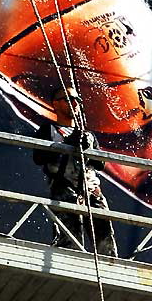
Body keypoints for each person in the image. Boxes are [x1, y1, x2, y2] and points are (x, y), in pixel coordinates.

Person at [33, 86, 117, 256]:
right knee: (70, 237)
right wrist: (65, 145)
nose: (74, 103)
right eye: (68, 99)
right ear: (55, 104)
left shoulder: (88, 135)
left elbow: (100, 164)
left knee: (104, 235)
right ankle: (69, 263)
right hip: (63, 188)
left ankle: (109, 268)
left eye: (77, 100)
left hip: (91, 190)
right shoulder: (48, 131)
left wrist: (87, 148)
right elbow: (39, 157)